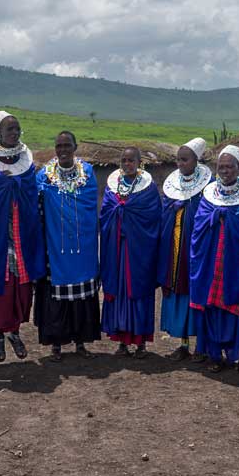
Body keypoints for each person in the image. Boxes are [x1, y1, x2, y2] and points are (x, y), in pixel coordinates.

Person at [0, 110, 46, 363]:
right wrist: (2, 187)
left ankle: (15, 333)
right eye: (9, 129)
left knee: (22, 286)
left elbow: (29, 190)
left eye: (17, 129)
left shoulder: (26, 162)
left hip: (22, 230)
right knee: (2, 285)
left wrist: (12, 186)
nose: (14, 133)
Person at [34, 131, 101, 360]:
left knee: (83, 296)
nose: (62, 150)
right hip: (56, 245)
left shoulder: (87, 172)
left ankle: (81, 343)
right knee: (56, 295)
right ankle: (56, 345)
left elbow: (90, 202)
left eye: (67, 145)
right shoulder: (45, 175)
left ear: (75, 147)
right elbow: (37, 204)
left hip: (83, 245)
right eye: (58, 145)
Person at [189, 146, 239, 372]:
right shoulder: (209, 195)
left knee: (238, 307)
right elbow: (199, 225)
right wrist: (216, 216)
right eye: (221, 167)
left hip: (237, 263)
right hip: (212, 262)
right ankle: (215, 355)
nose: (225, 171)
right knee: (214, 308)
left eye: (229, 167)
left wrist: (229, 220)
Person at [100, 146, 160, 357]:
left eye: (131, 160)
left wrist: (129, 217)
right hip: (116, 250)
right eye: (124, 160)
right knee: (118, 293)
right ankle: (121, 341)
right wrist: (119, 214)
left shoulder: (148, 188)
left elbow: (153, 219)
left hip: (139, 252)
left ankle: (141, 342)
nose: (127, 164)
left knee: (139, 292)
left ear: (139, 162)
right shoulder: (111, 186)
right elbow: (105, 214)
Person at [158, 138, 213, 361]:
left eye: (185, 159)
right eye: (178, 159)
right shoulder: (172, 187)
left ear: (196, 161)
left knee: (196, 292)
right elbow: (164, 214)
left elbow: (207, 214)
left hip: (197, 251)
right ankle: (183, 343)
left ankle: (202, 345)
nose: (180, 164)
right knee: (178, 293)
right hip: (174, 249)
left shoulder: (208, 188)